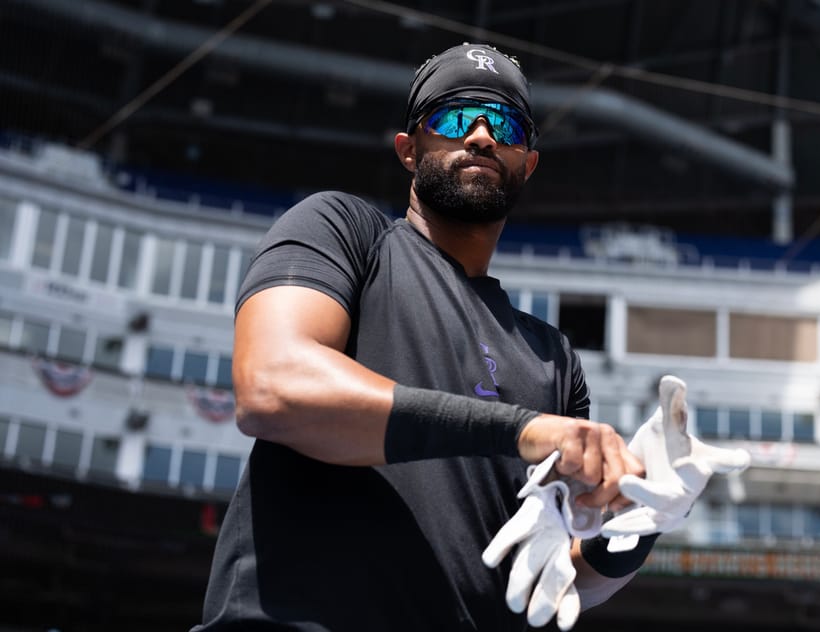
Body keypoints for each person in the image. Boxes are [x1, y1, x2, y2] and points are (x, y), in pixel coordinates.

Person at [193, 43, 654, 631]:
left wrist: (635, 522)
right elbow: (272, 386)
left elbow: (556, 571)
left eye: (505, 124)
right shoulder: (342, 231)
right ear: (409, 150)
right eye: (457, 118)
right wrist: (523, 430)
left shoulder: (554, 359)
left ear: (527, 162)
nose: (483, 136)